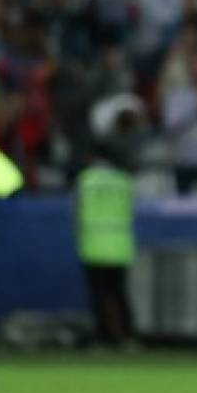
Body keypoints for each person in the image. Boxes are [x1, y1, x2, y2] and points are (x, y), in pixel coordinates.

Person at [75, 141, 136, 347]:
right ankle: (127, 337)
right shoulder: (124, 181)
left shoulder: (85, 181)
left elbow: (77, 212)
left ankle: (102, 338)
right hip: (120, 246)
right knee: (119, 294)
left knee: (99, 296)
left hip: (94, 246)